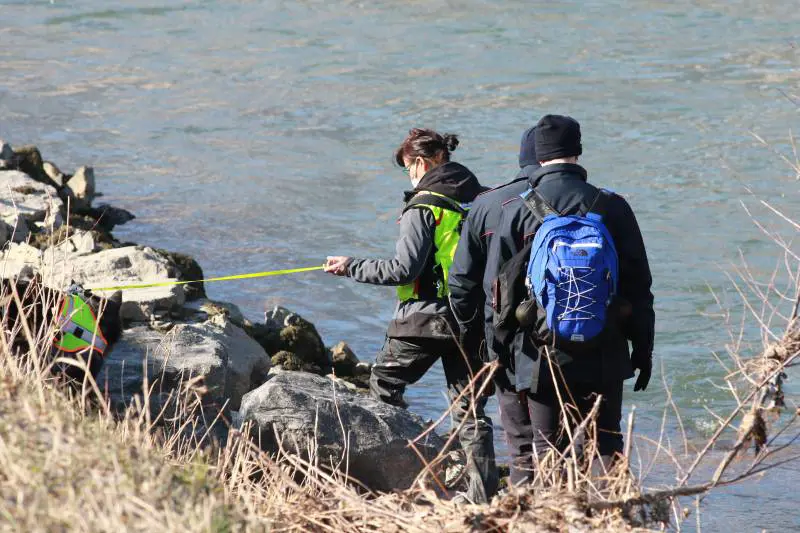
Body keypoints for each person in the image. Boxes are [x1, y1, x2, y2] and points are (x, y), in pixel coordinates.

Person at [324, 128, 498, 503]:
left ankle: (383, 475)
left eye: (408, 169)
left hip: (425, 319)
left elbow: (404, 270)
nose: (409, 177)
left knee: (383, 383)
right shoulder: (483, 200)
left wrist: (351, 266)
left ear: (420, 163)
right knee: (469, 410)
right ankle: (482, 495)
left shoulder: (423, 205)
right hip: (473, 320)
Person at [487, 114, 654, 475]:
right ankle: (612, 507)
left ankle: (555, 508)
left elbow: (497, 292)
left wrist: (499, 354)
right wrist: (643, 350)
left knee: (548, 448)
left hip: (539, 352)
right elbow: (639, 287)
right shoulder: (613, 206)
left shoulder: (517, 209)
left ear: (539, 155)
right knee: (605, 444)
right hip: (605, 347)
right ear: (577, 151)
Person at [448, 125, 539, 486]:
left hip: (507, 340)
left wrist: (476, 342)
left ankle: (526, 505)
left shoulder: (487, 204)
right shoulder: (591, 201)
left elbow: (461, 284)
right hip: (575, 336)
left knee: (521, 441)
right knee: (573, 438)